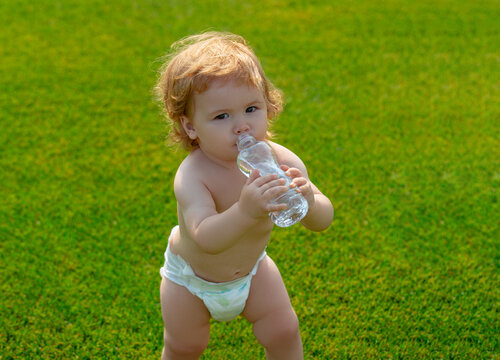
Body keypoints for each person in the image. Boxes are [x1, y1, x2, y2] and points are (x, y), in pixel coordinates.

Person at [155, 31, 334, 360]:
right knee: (185, 347)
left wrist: (309, 200)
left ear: (268, 106)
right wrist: (246, 211)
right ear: (191, 126)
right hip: (192, 281)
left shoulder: (280, 160)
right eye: (222, 116)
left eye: (251, 108)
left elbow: (323, 219)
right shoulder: (194, 175)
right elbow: (205, 236)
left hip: (253, 271)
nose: (241, 126)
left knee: (283, 330)